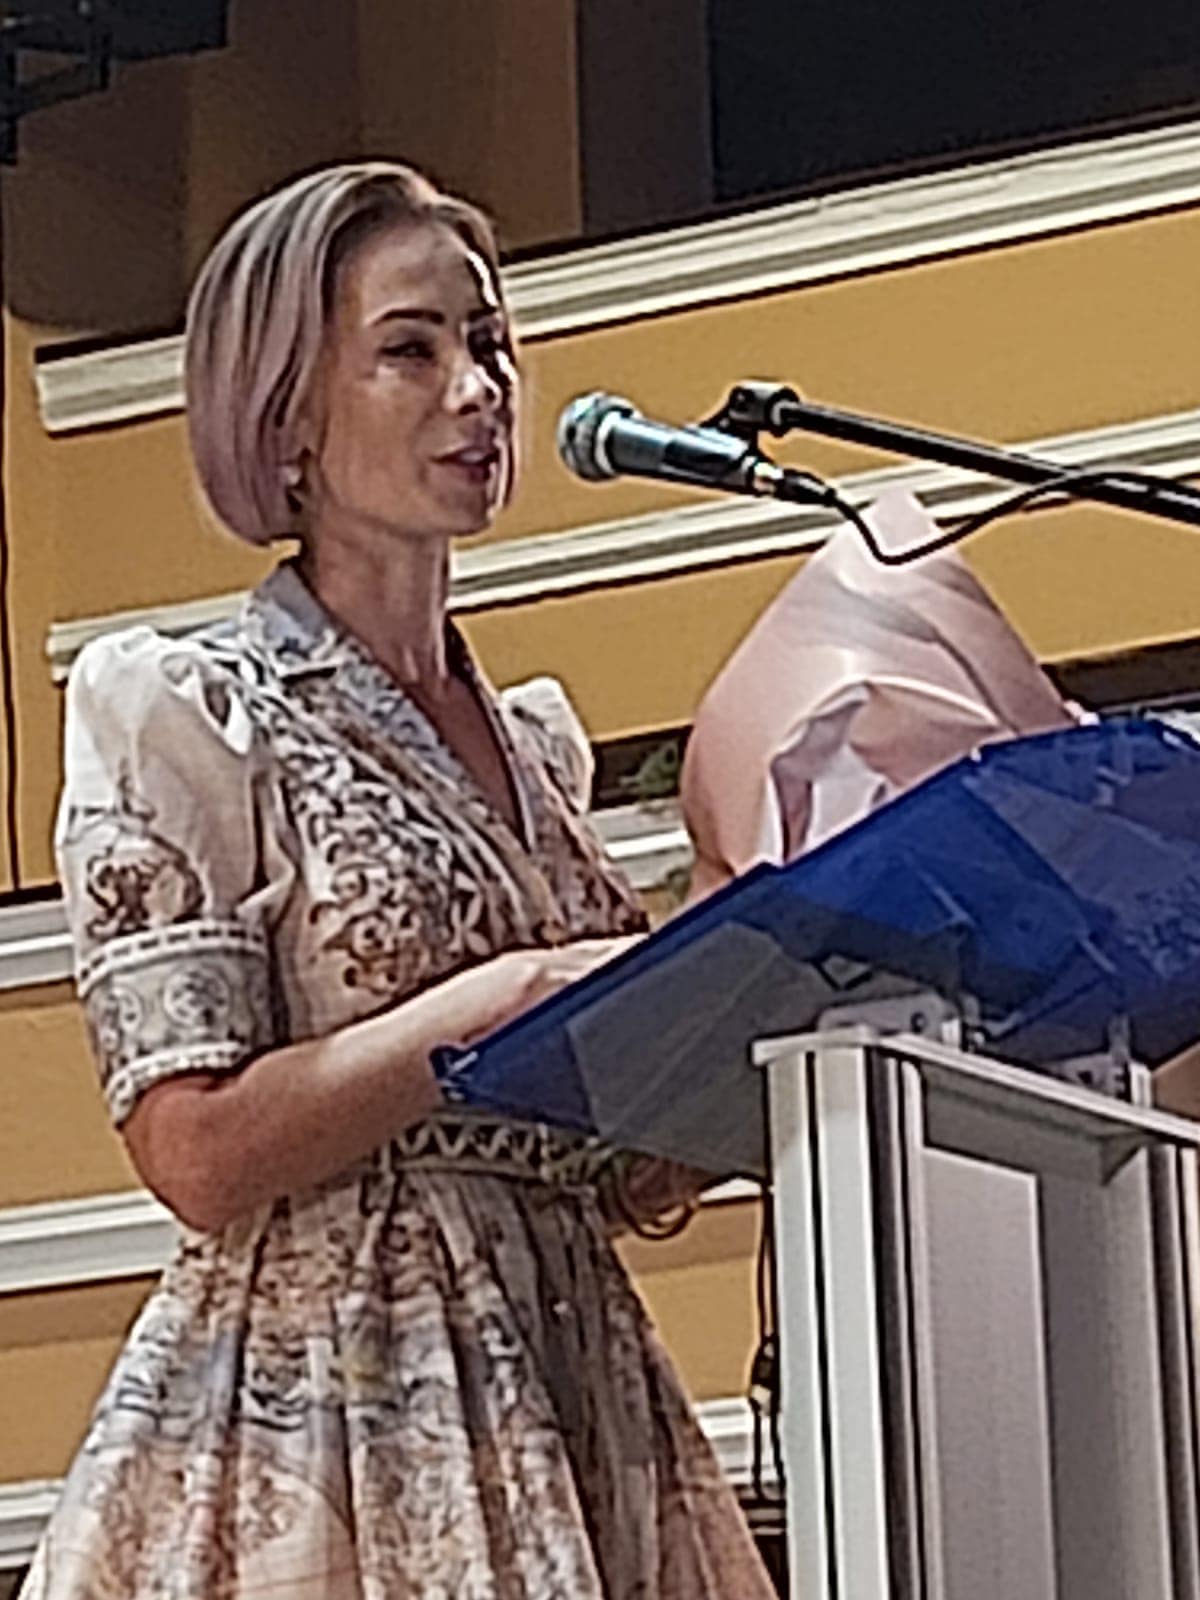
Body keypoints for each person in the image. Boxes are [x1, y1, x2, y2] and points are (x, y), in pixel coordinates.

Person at [21, 162, 777, 1599]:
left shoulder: (537, 751)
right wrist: (495, 1003)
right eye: (410, 351)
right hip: (335, 1405)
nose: (478, 390)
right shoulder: (192, 710)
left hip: (572, 1379)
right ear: (289, 417)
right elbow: (193, 1153)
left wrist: (751, 946)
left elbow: (629, 1168)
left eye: (487, 342)